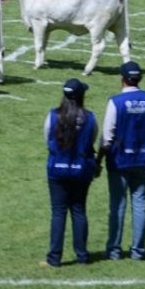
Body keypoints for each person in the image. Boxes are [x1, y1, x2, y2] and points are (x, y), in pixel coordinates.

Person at [98, 61, 145, 261]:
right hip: (143, 158)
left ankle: (114, 250)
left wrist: (99, 159)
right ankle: (138, 250)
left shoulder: (115, 102)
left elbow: (107, 137)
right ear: (140, 78)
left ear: (122, 79)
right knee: (140, 204)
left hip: (119, 160)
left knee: (117, 205)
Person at [42, 78, 99, 268]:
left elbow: (47, 139)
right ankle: (82, 255)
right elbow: (92, 139)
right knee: (79, 210)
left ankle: (54, 257)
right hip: (81, 170)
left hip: (57, 169)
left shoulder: (52, 116)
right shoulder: (90, 117)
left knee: (58, 213)